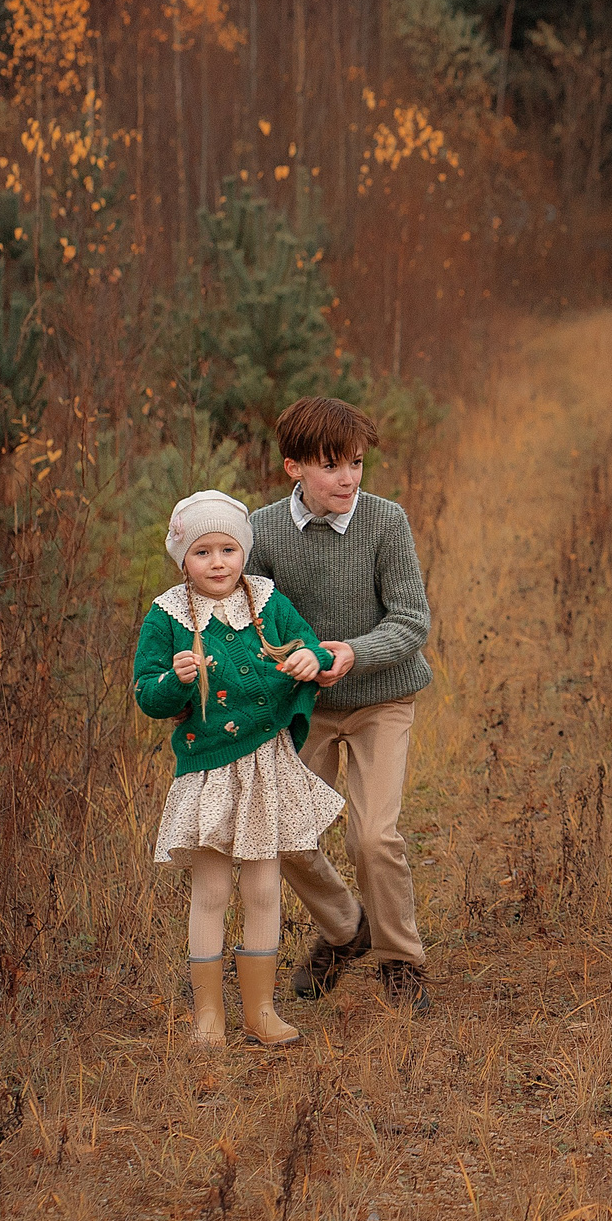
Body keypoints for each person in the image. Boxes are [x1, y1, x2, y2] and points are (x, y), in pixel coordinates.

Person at [133, 490, 347, 1049]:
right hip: (208, 773)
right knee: (210, 889)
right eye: (202, 552)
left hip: (266, 766)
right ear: (183, 559)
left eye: (228, 548)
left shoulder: (268, 601)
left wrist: (311, 659)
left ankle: (261, 1011)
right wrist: (176, 681)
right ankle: (208, 1017)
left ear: (244, 552)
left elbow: (312, 651)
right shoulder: (168, 616)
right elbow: (147, 694)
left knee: (263, 886)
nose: (218, 562)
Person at [254, 397, 438, 1013]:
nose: (349, 478)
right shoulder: (262, 532)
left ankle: (400, 959)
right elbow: (245, 623)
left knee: (373, 837)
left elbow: (412, 621)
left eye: (356, 463)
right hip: (305, 706)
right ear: (293, 469)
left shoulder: (386, 521)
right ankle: (345, 928)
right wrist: (286, 659)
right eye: (331, 466)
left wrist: (352, 654)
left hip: (382, 698)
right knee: (284, 832)